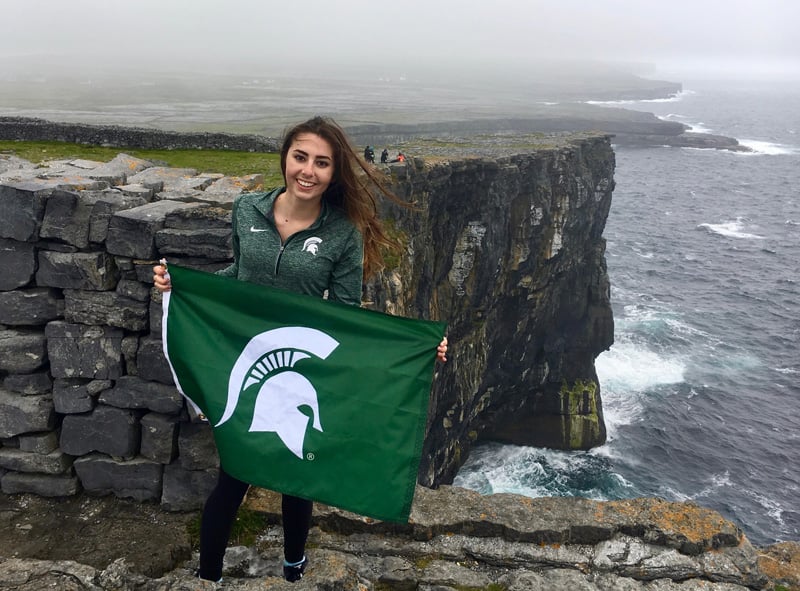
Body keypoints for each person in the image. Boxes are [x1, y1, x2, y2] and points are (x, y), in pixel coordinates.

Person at [153, 116, 447, 584]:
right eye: (300, 157)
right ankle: (207, 578)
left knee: (298, 476)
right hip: (247, 360)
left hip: (300, 370)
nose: (308, 171)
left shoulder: (342, 233)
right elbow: (239, 278)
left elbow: (348, 318)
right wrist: (183, 287)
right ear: (285, 158)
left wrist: (415, 351)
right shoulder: (247, 209)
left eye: (322, 163)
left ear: (334, 174)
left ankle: (294, 569)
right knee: (233, 475)